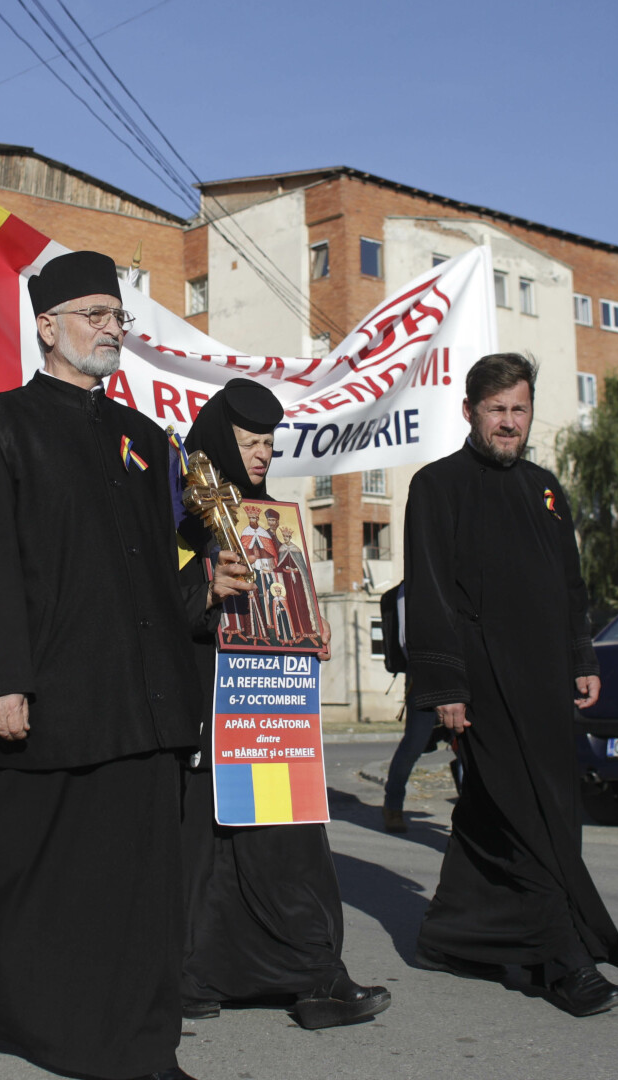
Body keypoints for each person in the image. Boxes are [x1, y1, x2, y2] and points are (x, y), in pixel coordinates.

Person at [0, 250, 233, 1080]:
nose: (111, 329)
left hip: (142, 700)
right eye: (94, 315)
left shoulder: (145, 440)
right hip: (48, 693)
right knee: (3, 863)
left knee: (136, 887)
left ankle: (141, 1043)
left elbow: (153, 573)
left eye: (117, 316)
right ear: (46, 325)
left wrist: (207, 579)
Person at [404, 352, 618, 1017]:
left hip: (547, 682)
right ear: (469, 411)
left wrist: (582, 657)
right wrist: (446, 684)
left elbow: (569, 585)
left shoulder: (546, 489)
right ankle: (563, 961)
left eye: (519, 410)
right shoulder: (437, 486)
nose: (509, 423)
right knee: (530, 814)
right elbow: (432, 590)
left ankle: (452, 936)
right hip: (481, 681)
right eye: (497, 410)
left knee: (498, 811)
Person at [174, 377, 391, 1031]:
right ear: (218, 443)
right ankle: (195, 979)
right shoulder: (180, 524)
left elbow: (285, 606)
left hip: (272, 716)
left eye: (270, 443)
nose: (264, 454)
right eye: (249, 442)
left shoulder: (281, 521)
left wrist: (311, 632)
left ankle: (315, 977)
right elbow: (145, 610)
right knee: (204, 853)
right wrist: (205, 593)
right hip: (207, 711)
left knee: (291, 845)